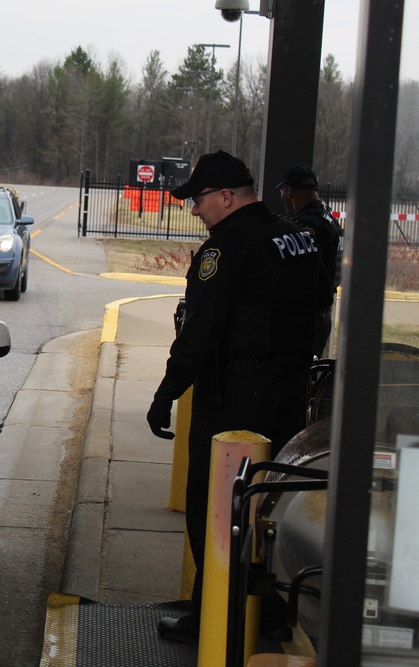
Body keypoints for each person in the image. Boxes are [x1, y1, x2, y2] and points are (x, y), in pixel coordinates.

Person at [145, 150, 332, 645]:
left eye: (199, 199)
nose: (194, 209)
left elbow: (200, 333)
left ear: (227, 197)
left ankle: (213, 615)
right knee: (269, 502)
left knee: (217, 503)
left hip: (234, 399)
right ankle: (269, 610)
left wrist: (166, 394)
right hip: (288, 392)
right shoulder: (298, 237)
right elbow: (318, 306)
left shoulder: (225, 249)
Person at [277, 163, 344, 357]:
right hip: (321, 312)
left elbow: (298, 274)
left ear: (289, 192)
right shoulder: (329, 218)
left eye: (282, 191)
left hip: (306, 315)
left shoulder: (308, 225)